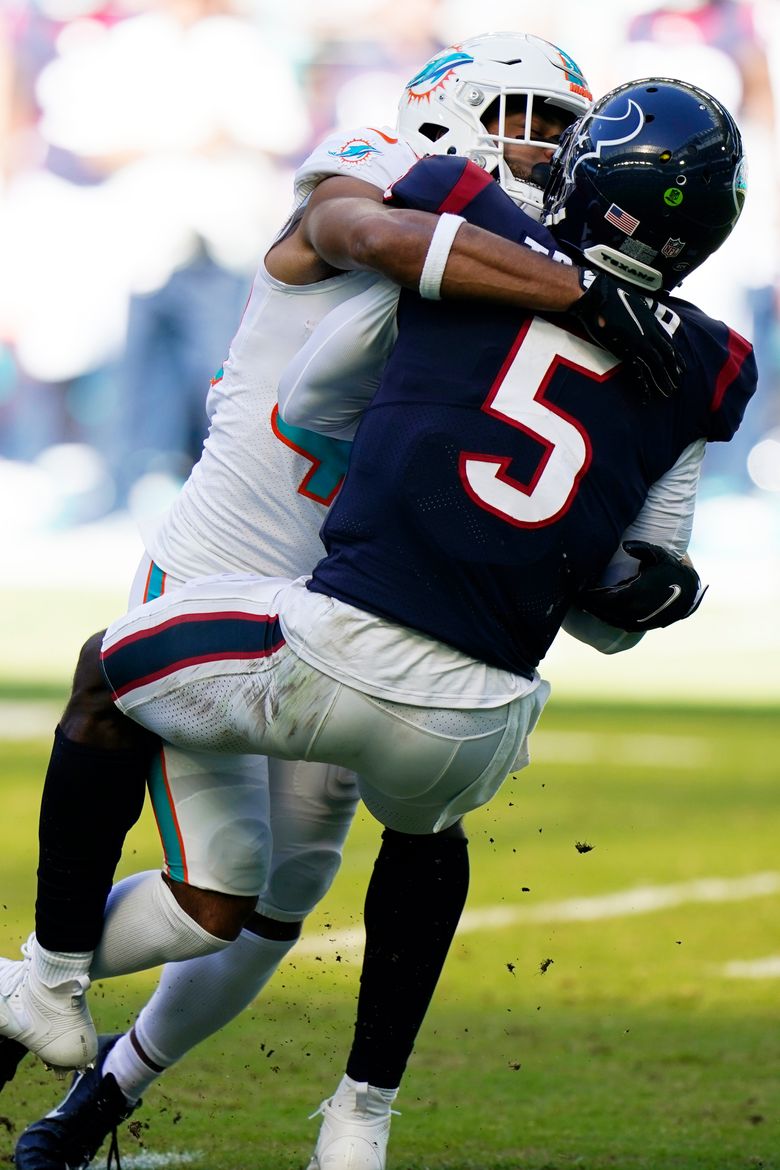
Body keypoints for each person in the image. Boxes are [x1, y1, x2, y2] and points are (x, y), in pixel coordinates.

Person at [8, 74, 753, 1170]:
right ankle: (351, 1113)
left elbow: (317, 399)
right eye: (527, 117)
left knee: (191, 794)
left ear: (594, 165)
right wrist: (582, 312)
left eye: (562, 129)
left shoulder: (474, 229)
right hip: (400, 661)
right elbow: (623, 601)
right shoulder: (698, 352)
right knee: (316, 870)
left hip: (328, 619)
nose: (538, 149)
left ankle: (67, 1027)